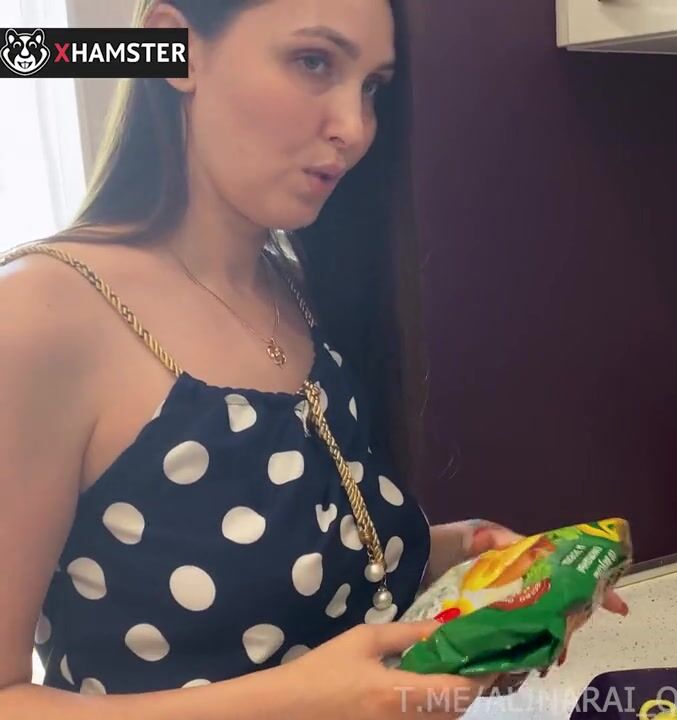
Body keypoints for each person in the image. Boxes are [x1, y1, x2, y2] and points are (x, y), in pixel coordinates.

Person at [0, 1, 627, 718]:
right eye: (313, 62)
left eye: (373, 87)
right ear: (174, 46)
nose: (354, 129)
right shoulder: (40, 314)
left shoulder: (297, 290)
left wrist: (458, 565)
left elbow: (291, 584)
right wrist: (300, 702)